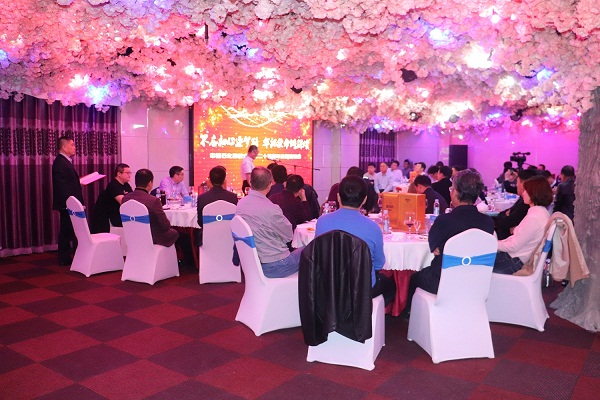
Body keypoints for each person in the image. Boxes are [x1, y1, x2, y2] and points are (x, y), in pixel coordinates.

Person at [401, 169, 494, 318]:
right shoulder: (488, 222)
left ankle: (409, 315)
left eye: (452, 189)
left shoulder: (444, 220)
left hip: (442, 280)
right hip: (476, 281)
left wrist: (440, 247)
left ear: (455, 193)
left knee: (415, 278)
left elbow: (433, 246)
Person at [316, 176, 396, 305]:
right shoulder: (373, 227)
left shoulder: (322, 222)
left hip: (329, 284)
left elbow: (319, 255)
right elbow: (379, 264)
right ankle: (367, 312)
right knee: (390, 287)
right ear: (364, 199)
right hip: (361, 287)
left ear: (338, 197)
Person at [236, 167, 302, 278]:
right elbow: (289, 235)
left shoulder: (240, 205)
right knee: (312, 249)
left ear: (250, 182)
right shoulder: (271, 209)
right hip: (277, 265)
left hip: (252, 264)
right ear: (270, 184)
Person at [494, 177, 553, 274]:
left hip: (514, 261)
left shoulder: (534, 218)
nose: (523, 193)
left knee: (478, 266)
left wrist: (493, 244)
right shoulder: (542, 213)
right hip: (517, 258)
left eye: (526, 190)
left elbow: (514, 246)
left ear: (534, 193)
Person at [123, 169, 179, 247]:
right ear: (150, 183)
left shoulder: (125, 199)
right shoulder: (153, 200)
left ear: (135, 182)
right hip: (153, 238)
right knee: (177, 233)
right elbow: (165, 225)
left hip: (133, 237)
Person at [52, 136, 84, 266]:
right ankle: (64, 257)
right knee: (67, 230)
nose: (74, 147)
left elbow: (68, 183)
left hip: (70, 203)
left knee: (69, 230)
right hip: (68, 204)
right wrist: (72, 203)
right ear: (64, 147)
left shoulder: (65, 161)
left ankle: (68, 256)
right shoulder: (60, 162)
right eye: (72, 145)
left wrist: (78, 184)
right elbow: (62, 186)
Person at [195, 166, 238, 246]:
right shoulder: (233, 197)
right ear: (224, 180)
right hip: (229, 238)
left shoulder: (202, 198)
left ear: (210, 180)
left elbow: (200, 222)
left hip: (207, 238)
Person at [495, 168, 540, 240]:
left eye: (517, 182)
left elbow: (504, 223)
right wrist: (505, 215)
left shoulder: (526, 204)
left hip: (507, 240)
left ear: (523, 184)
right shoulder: (523, 200)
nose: (516, 185)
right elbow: (506, 215)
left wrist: (505, 216)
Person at [90, 163, 133, 234]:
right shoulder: (113, 185)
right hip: (115, 217)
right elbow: (123, 202)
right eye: (127, 173)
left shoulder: (126, 185)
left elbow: (132, 198)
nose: (129, 175)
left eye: (130, 173)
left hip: (123, 214)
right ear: (119, 174)